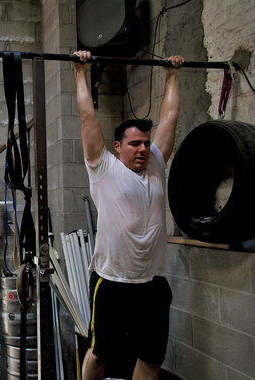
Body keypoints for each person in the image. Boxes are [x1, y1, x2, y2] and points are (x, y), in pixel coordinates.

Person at [72, 50, 184, 380]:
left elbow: (170, 119)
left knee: (151, 359)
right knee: (100, 356)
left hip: (152, 284)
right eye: (134, 144)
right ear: (118, 147)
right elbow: (87, 119)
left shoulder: (156, 165)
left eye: (146, 143)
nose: (142, 149)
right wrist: (81, 72)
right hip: (111, 283)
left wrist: (172, 76)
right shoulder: (103, 168)